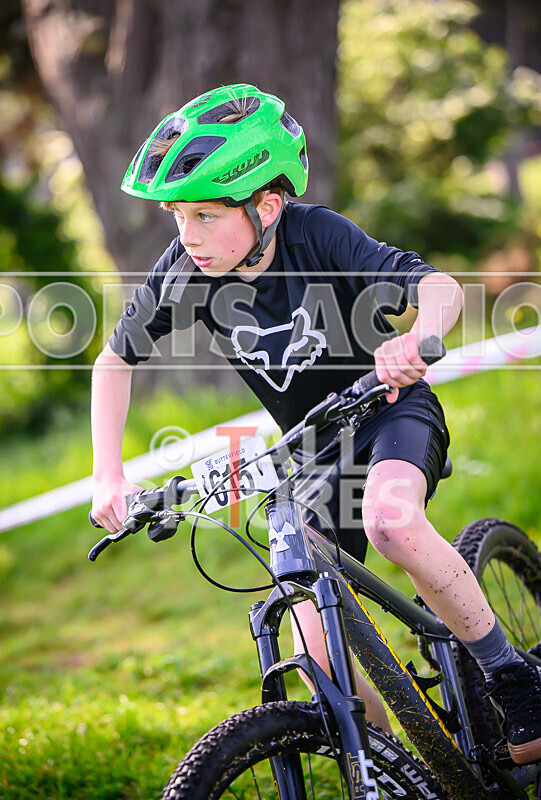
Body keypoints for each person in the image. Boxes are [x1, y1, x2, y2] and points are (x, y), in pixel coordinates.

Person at [91, 83, 541, 762]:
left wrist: (416, 336)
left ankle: (512, 678)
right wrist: (109, 474)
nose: (189, 236)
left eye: (207, 215)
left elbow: (437, 288)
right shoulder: (184, 270)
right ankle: (397, 767)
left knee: (390, 522)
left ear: (266, 205)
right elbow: (113, 362)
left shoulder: (317, 235)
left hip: (388, 414)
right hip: (315, 450)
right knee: (317, 654)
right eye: (177, 216)